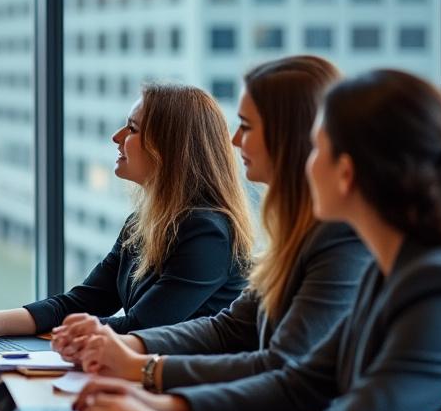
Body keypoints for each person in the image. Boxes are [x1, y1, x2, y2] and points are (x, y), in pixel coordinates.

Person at [70, 70, 441, 411]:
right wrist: (163, 406)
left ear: (346, 172)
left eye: (315, 149)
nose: (302, 162)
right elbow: (303, 385)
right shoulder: (390, 270)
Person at [58, 56, 370, 389]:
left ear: (288, 138)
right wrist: (134, 358)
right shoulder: (298, 237)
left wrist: (148, 385)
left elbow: (280, 370)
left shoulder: (337, 243)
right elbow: (230, 328)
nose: (234, 140)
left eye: (246, 126)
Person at [0, 84, 253, 337]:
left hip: (184, 390)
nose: (117, 137)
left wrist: (64, 332)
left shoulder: (208, 233)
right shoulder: (141, 224)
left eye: (132, 129)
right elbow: (80, 302)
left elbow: (142, 328)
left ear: (170, 147)